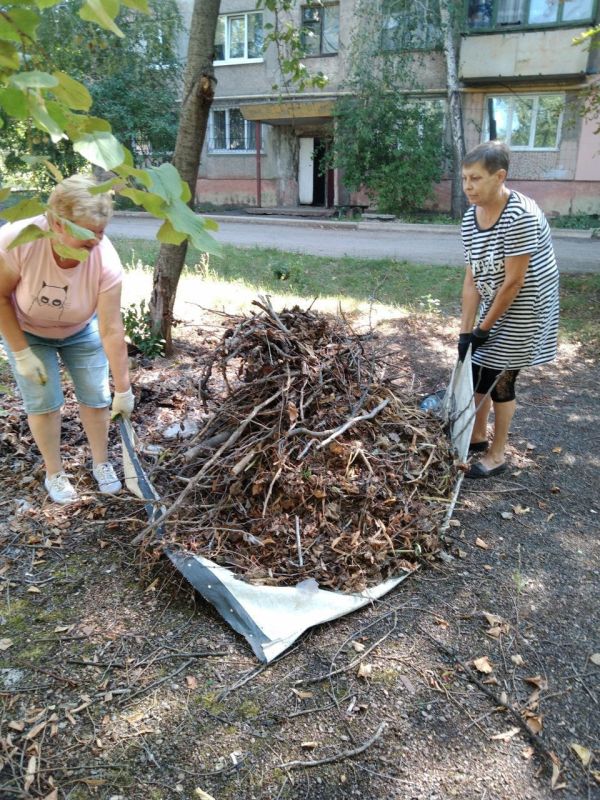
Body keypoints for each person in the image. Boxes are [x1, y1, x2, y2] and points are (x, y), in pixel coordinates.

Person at [0, 174, 134, 503]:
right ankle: (54, 472)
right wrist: (20, 352)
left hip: (81, 329)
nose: (95, 243)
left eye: (101, 234)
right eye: (86, 235)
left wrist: (124, 387)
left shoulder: (106, 261)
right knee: (44, 402)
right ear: (56, 224)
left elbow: (111, 328)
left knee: (96, 396)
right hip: (27, 330)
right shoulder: (18, 241)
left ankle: (101, 463)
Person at [458, 141, 559, 479]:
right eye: (464, 179)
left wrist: (483, 330)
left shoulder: (520, 216)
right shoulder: (471, 216)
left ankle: (498, 454)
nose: (468, 187)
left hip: (527, 305)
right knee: (477, 368)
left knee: (501, 377)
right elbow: (471, 280)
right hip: (495, 297)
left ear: (500, 176)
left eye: (476, 178)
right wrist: (465, 332)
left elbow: (514, 284)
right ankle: (476, 435)